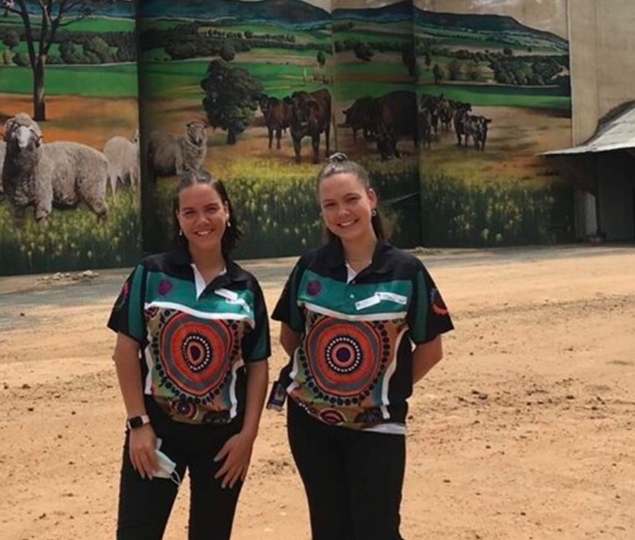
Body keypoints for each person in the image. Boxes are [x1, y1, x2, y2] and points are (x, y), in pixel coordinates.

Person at [271, 153, 454, 540]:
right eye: (330, 205)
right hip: (310, 423)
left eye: (351, 199)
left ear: (371, 199)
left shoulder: (407, 271)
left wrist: (377, 387)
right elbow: (292, 336)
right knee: (329, 527)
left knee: (378, 529)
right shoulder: (310, 267)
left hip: (379, 424)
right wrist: (330, 383)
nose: (343, 212)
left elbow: (430, 349)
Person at [108, 169, 271, 540]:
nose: (202, 220)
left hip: (222, 441)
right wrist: (139, 425)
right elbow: (125, 352)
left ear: (226, 212)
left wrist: (247, 436)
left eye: (211, 208)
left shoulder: (246, 287)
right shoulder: (150, 274)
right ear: (178, 221)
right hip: (158, 432)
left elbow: (258, 365)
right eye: (190, 212)